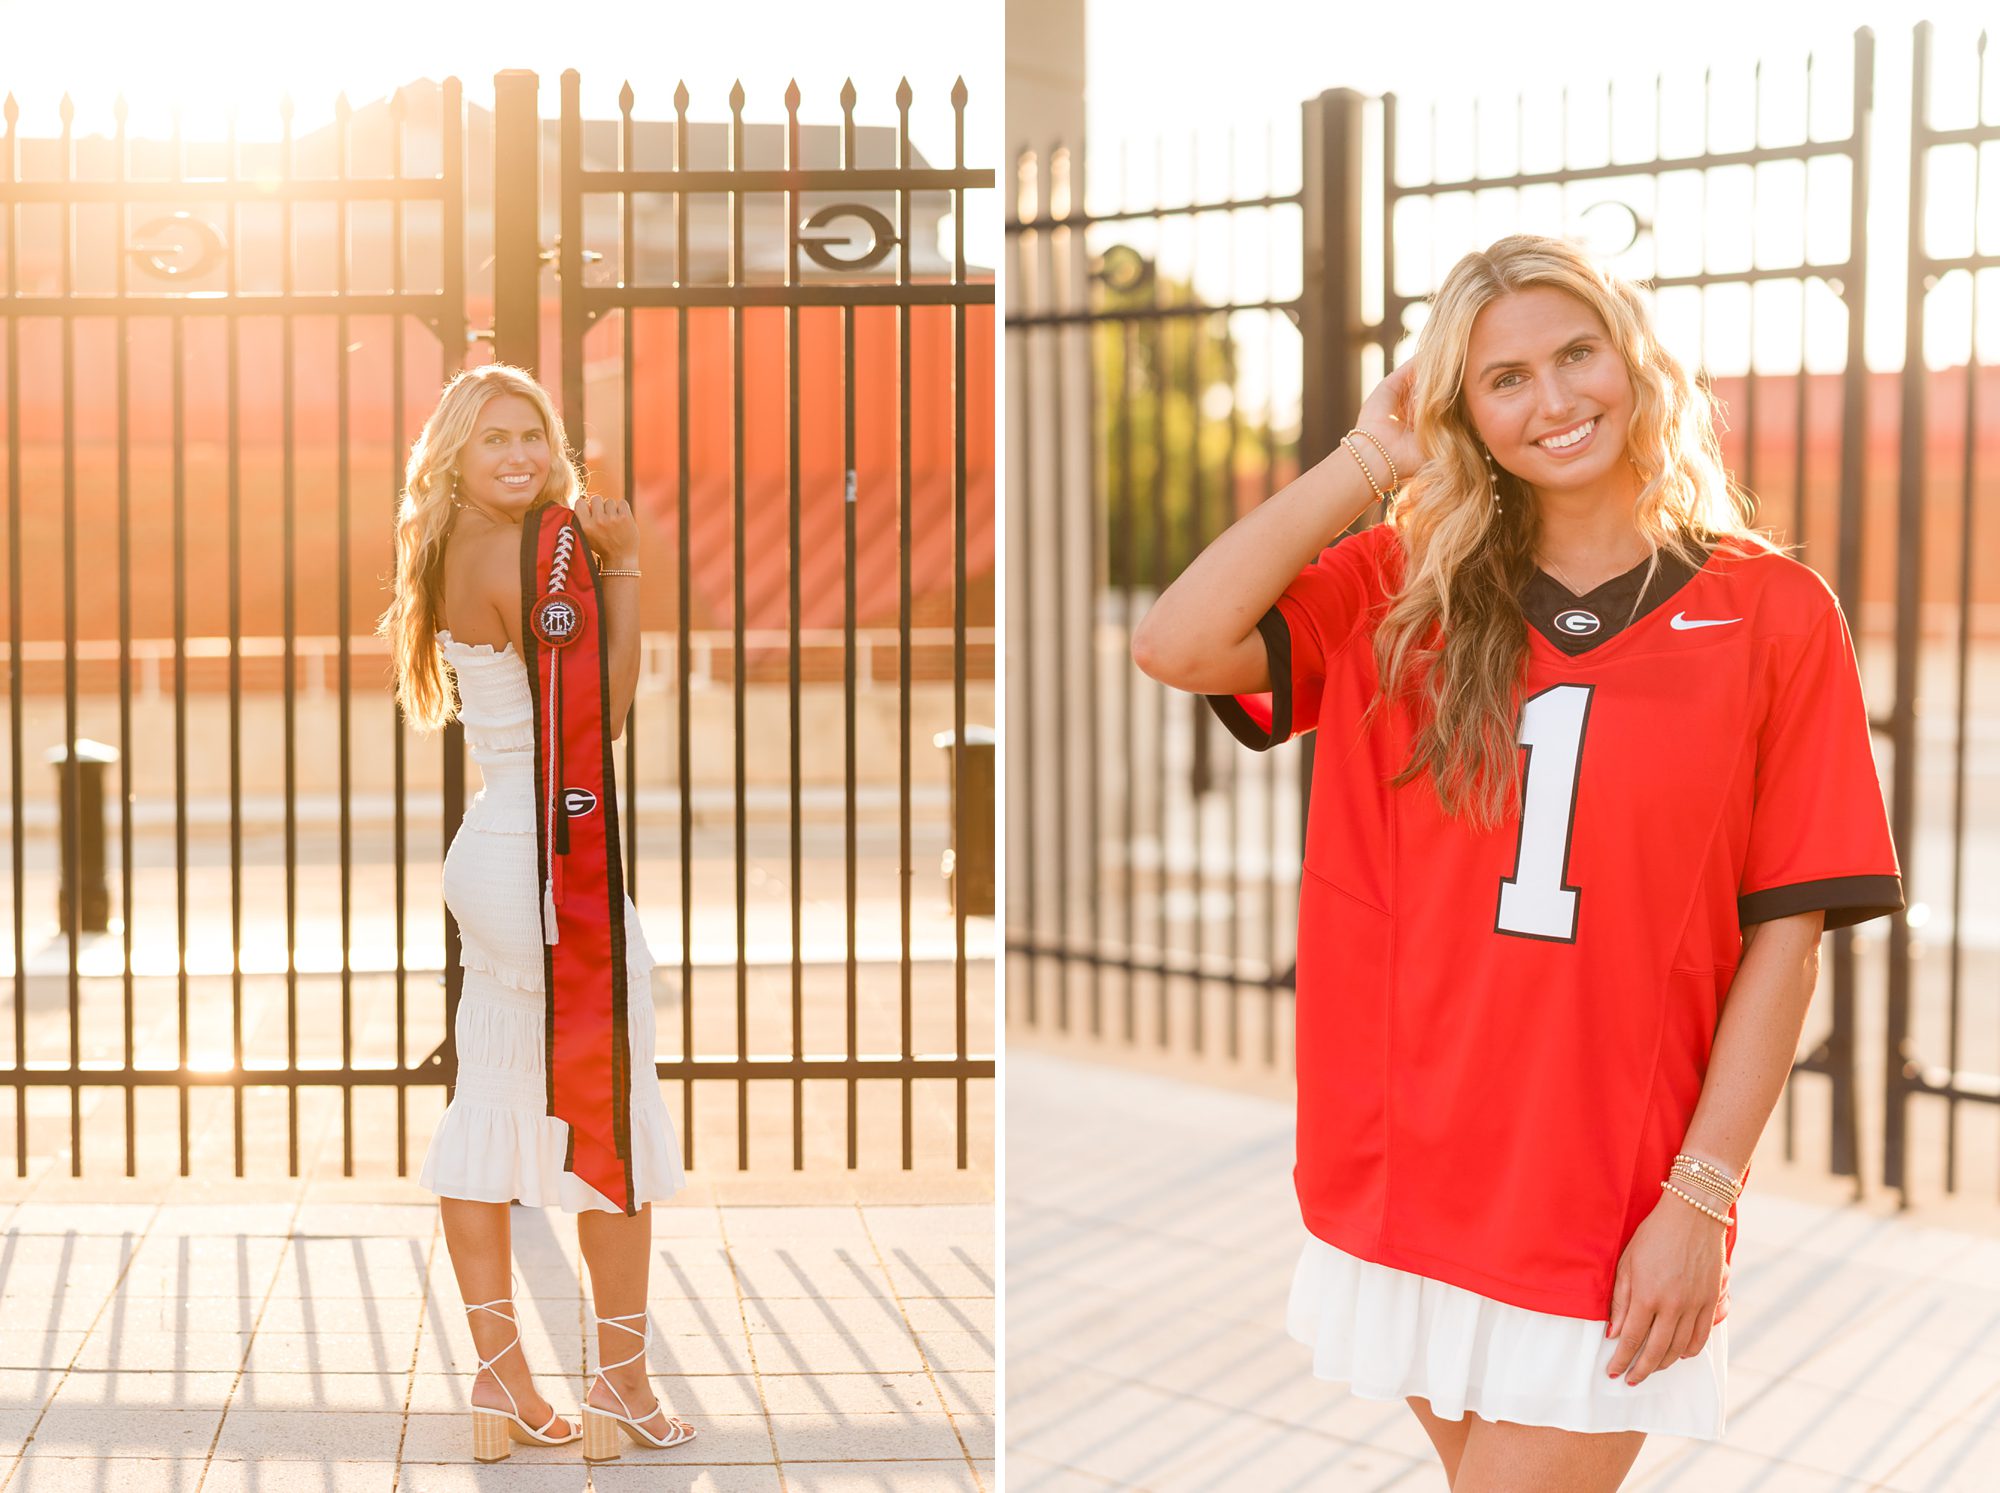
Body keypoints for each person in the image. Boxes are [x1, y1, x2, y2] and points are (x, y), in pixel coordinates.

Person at [1131, 234, 1901, 1491]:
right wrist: (1367, 461)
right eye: (1502, 379)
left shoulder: (1772, 612)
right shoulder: (1400, 589)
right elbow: (1176, 639)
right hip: (1405, 1171)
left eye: (1574, 354)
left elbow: (1786, 936)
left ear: (1631, 358)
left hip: (1606, 1201)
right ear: (1463, 413)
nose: (1551, 401)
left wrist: (1697, 1203)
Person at [377, 363, 695, 1463]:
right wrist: (631, 566)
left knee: (491, 1113)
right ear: (456, 453)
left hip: (493, 851)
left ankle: (501, 1377)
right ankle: (621, 1384)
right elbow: (597, 714)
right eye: (492, 439)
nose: (517, 455)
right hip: (546, 861)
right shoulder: (544, 546)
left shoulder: (448, 543)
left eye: (533, 434)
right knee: (610, 1118)